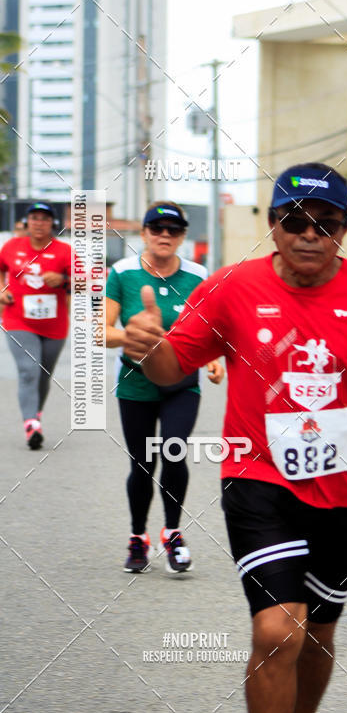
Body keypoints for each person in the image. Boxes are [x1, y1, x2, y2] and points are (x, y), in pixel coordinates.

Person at [123, 164, 347, 713]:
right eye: (294, 221)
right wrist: (150, 351)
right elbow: (174, 369)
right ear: (273, 225)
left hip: (341, 491)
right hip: (257, 478)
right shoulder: (231, 287)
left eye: (325, 224)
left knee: (319, 632)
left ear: (343, 229)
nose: (310, 234)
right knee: (279, 630)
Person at [105, 201, 224, 575]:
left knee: (173, 452)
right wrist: (131, 337)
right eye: (156, 229)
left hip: (181, 382)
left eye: (173, 230)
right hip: (135, 382)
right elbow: (100, 331)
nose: (164, 236)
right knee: (142, 464)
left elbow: (207, 330)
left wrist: (212, 358)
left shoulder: (198, 275)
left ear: (183, 237)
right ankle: (138, 538)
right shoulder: (122, 274)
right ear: (143, 234)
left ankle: (172, 533)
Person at [0, 201, 71, 449]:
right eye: (34, 218)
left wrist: (63, 279)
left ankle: (35, 413)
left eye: (44, 218)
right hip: (18, 319)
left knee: (42, 374)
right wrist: (1, 289)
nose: (39, 223)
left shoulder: (64, 251)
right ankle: (31, 424)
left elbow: (84, 283)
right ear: (26, 222)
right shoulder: (11, 247)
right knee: (28, 370)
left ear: (52, 223)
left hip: (54, 325)